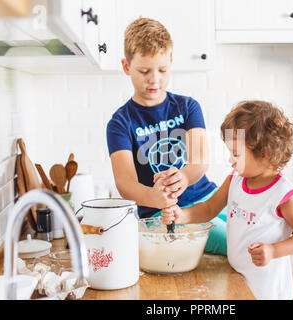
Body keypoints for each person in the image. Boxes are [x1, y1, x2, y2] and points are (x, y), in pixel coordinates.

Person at [161, 100, 293, 300]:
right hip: (239, 280)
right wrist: (182, 215)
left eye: (236, 153)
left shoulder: (283, 194)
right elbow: (209, 208)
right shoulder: (235, 180)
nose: (230, 160)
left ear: (265, 153)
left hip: (268, 289)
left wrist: (273, 250)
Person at [106, 17, 227, 255]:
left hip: (210, 197)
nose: (154, 79)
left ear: (171, 62)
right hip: (164, 214)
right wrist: (156, 198)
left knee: (264, 231)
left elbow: (200, 160)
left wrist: (183, 176)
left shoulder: (188, 107)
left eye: (162, 70)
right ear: (126, 66)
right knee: (237, 243)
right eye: (144, 71)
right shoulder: (120, 123)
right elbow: (125, 183)